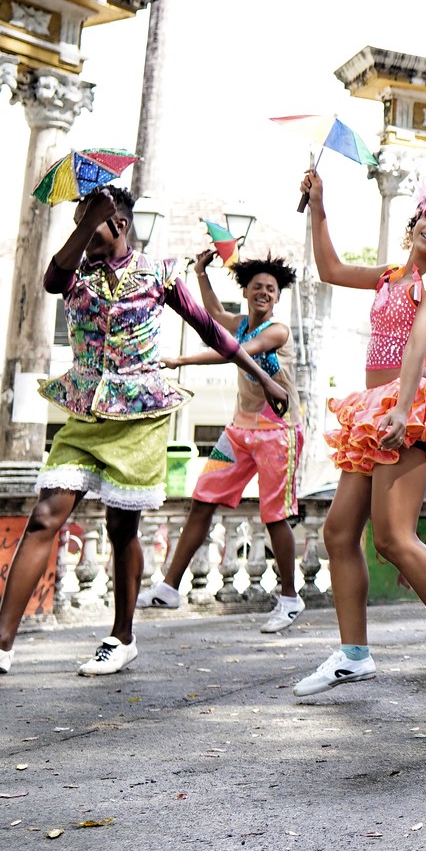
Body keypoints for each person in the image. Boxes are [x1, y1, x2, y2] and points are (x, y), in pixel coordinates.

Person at [0, 188, 289, 677]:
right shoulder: (75, 273)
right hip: (84, 410)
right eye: (78, 224)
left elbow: (213, 332)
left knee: (123, 529)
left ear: (119, 226)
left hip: (140, 412)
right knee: (45, 515)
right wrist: (85, 222)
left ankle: (122, 638)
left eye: (92, 222)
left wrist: (264, 377)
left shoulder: (159, 274)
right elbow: (52, 279)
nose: (80, 234)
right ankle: (0, 643)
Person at [291, 176, 426, 704]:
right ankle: (354, 655)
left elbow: (422, 339)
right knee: (338, 532)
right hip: (374, 407)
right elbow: (330, 270)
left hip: (414, 405)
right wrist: (319, 208)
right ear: (416, 220)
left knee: (393, 538)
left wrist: (402, 408)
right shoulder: (389, 276)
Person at [140, 252, 307, 632]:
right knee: (203, 499)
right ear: (246, 291)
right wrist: (200, 272)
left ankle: (289, 598)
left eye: (271, 289)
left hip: (278, 432)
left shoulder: (277, 330)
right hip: (238, 430)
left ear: (277, 297)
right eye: (257, 287)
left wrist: (180, 360)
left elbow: (236, 352)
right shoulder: (241, 322)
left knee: (275, 515)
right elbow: (214, 312)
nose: (264, 292)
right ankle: (168, 587)